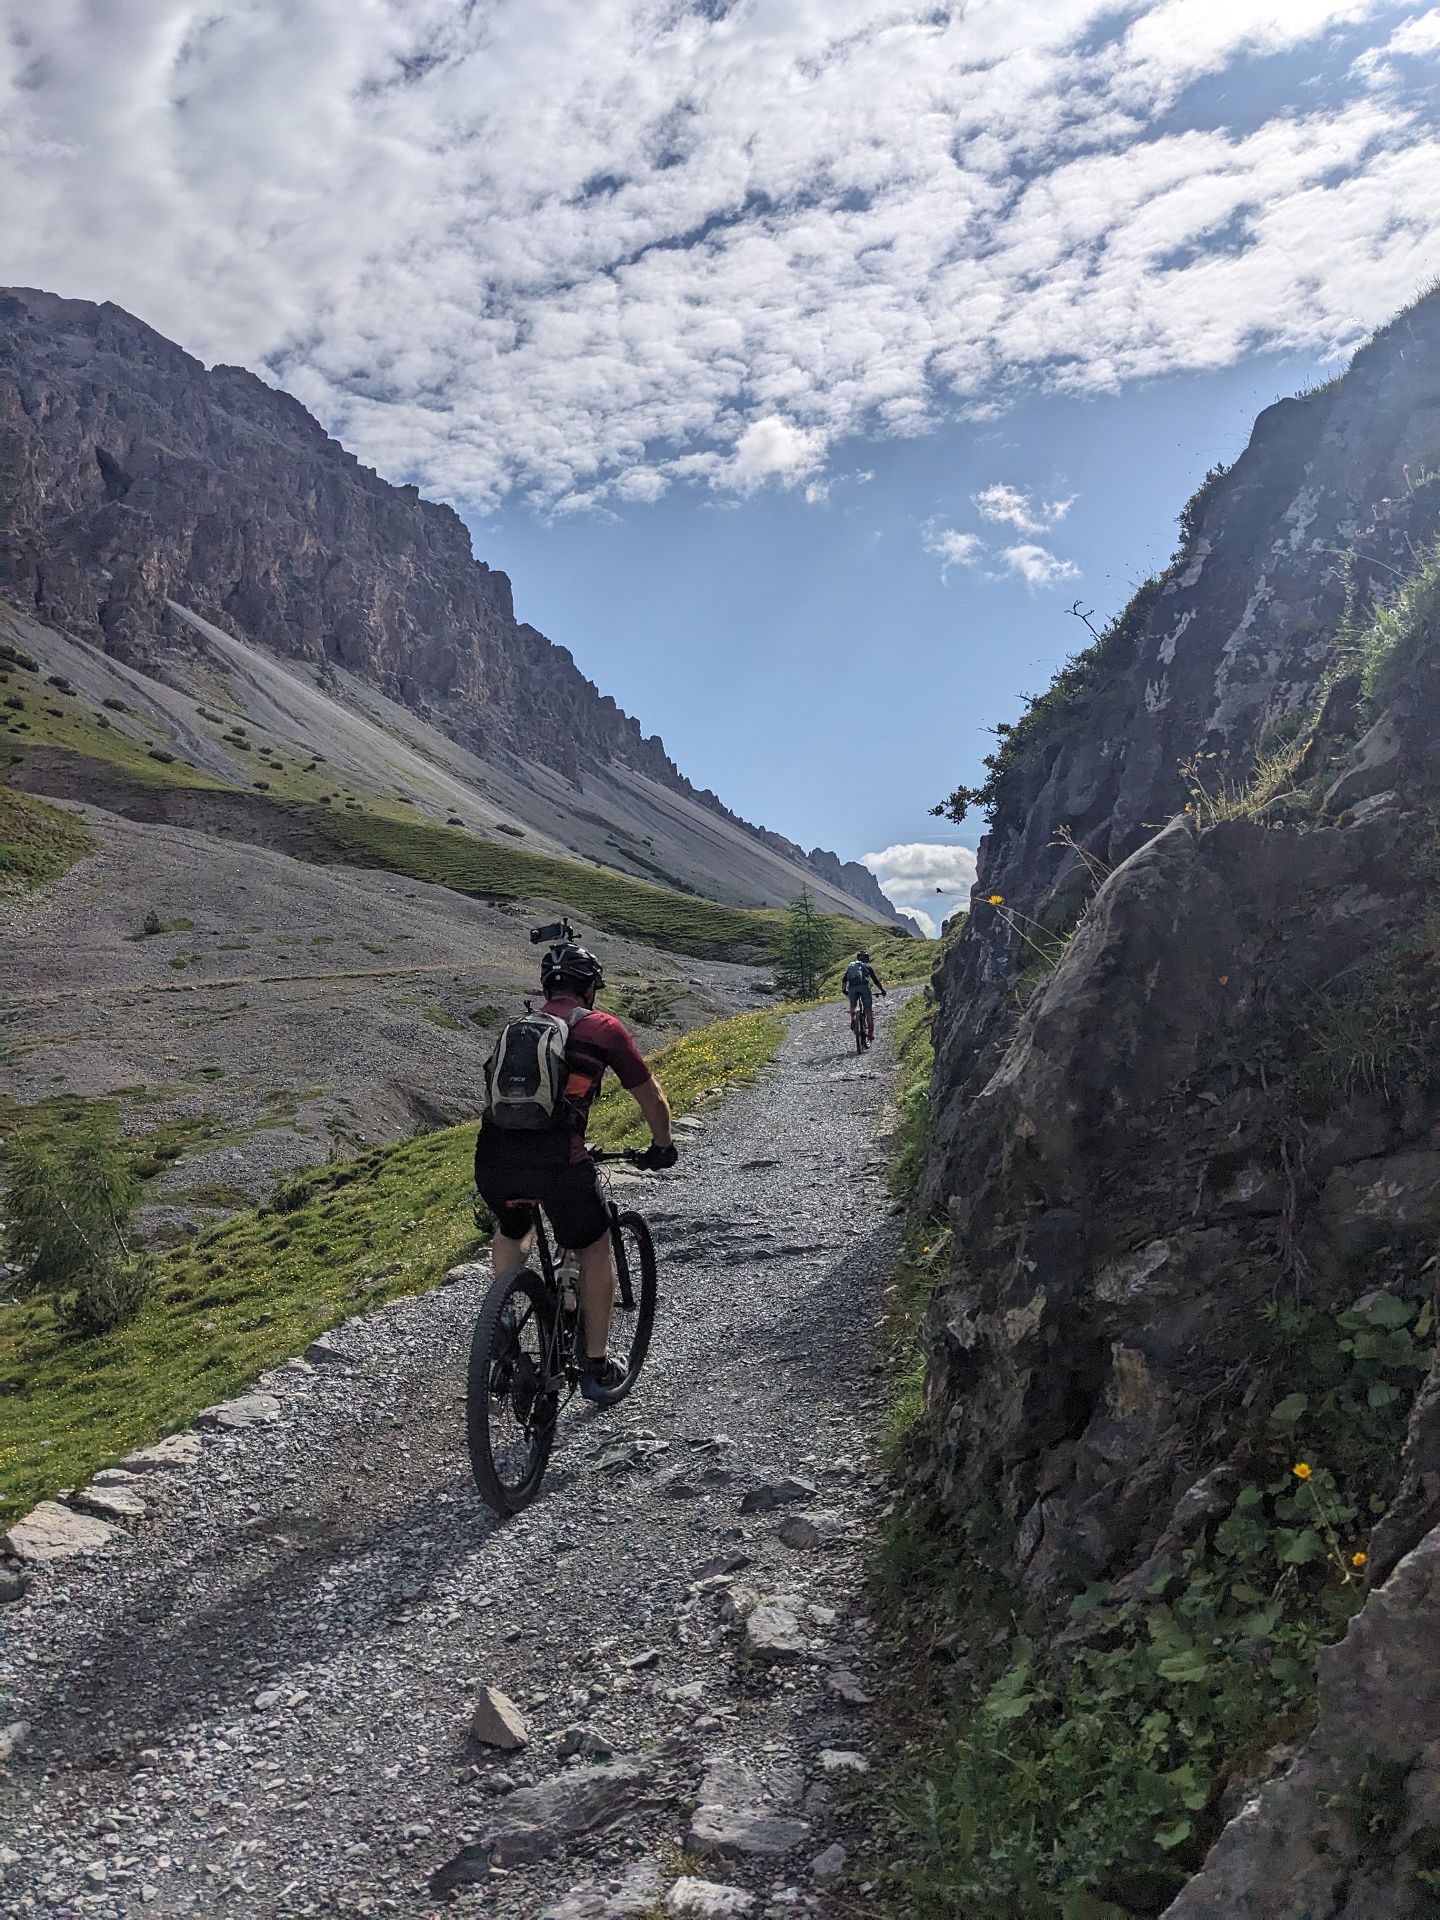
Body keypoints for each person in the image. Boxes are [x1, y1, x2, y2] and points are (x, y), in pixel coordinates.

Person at [473, 942, 676, 1401]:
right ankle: (596, 1365)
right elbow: (651, 1098)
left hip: (495, 1158)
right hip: (561, 1160)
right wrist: (662, 1146)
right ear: (590, 989)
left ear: (547, 988)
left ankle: (502, 1318)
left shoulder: (515, 1028)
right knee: (594, 1242)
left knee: (514, 1227)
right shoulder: (603, 1028)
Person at [842, 950, 887, 1042]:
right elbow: (875, 981)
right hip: (864, 987)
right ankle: (870, 1034)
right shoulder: (867, 966)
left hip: (852, 988)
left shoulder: (852, 966)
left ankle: (853, 1020)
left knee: (853, 1005)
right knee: (868, 1010)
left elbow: (844, 979)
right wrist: (882, 990)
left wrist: (844, 990)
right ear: (867, 959)